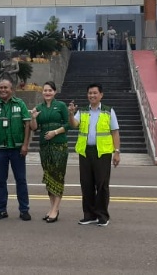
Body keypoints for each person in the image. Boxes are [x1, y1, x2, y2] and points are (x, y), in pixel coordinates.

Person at [68, 83, 120, 227]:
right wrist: (71, 113)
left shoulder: (109, 111)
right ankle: (89, 215)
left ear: (101, 95)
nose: (92, 95)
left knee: (102, 184)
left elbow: (115, 132)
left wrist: (117, 152)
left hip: (102, 152)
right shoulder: (83, 111)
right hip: (86, 151)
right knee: (86, 184)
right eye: (90, 93)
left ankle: (102, 215)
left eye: (95, 93)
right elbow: (74, 124)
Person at [0, 79, 32, 221]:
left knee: (21, 180)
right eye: (0, 88)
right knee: (0, 180)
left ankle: (24, 210)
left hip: (17, 148)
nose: (2, 90)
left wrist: (25, 145)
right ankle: (1, 210)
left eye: (5, 87)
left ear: (12, 89)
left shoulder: (20, 104)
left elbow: (27, 124)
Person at [29, 81, 69, 223]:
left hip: (59, 145)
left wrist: (55, 132)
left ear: (55, 92)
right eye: (45, 90)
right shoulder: (39, 107)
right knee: (48, 176)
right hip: (44, 146)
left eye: (50, 90)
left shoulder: (61, 106)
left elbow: (68, 124)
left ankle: (56, 209)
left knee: (57, 176)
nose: (47, 93)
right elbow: (34, 128)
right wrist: (33, 117)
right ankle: (52, 208)